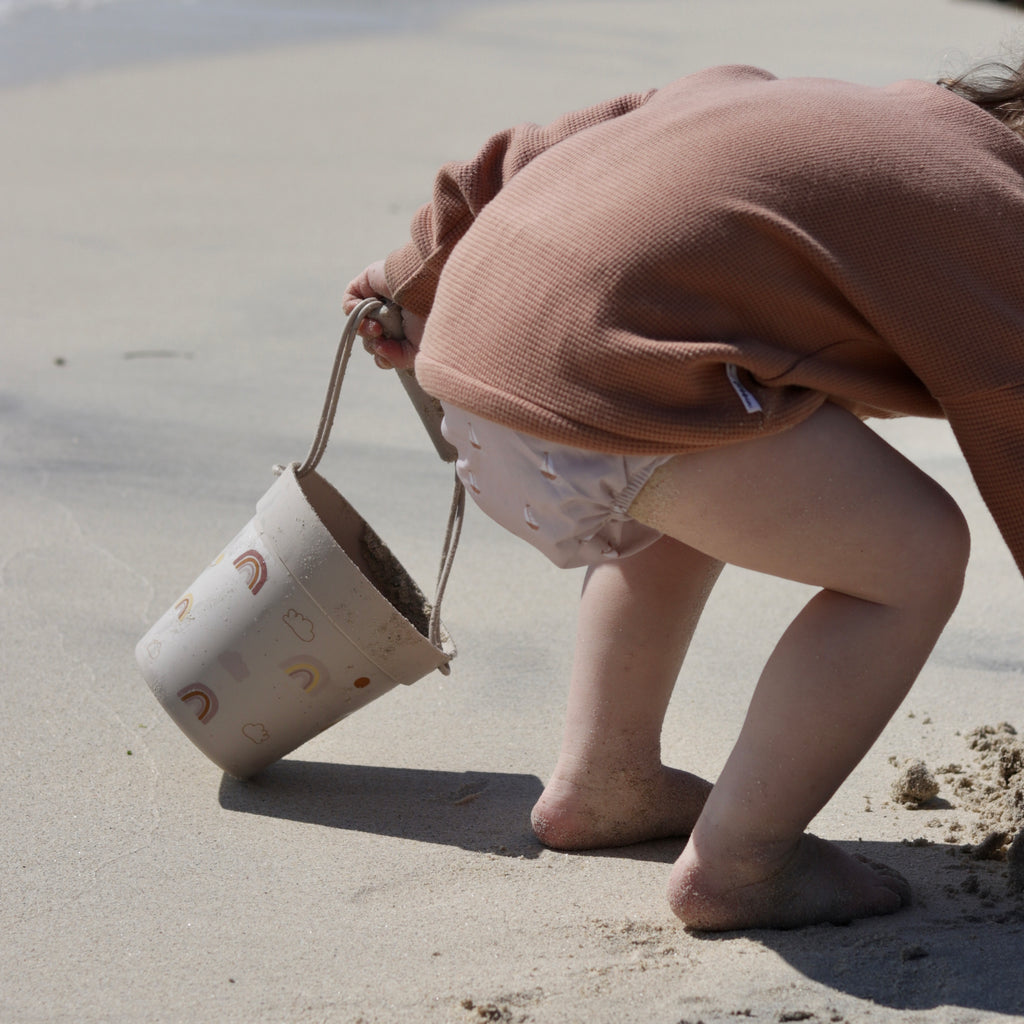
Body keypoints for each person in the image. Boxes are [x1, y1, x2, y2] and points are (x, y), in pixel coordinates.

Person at [342, 56, 1024, 931]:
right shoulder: (1001, 227)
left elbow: (513, 160)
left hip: (473, 348)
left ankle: (606, 777)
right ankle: (740, 864)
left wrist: (405, 279)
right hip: (601, 376)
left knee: (707, 437)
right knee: (919, 557)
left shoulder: (775, 98)